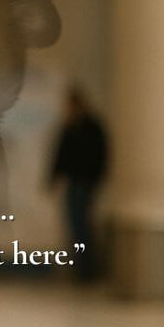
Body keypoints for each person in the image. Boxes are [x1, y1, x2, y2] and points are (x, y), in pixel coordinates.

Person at [50, 87, 109, 282]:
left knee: (82, 225)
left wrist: (94, 178)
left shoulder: (91, 127)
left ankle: (88, 267)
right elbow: (61, 155)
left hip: (85, 182)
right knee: (75, 225)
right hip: (74, 182)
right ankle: (80, 266)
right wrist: (54, 177)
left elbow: (100, 155)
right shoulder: (71, 127)